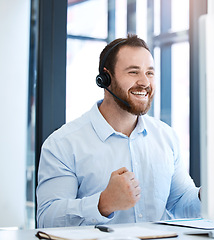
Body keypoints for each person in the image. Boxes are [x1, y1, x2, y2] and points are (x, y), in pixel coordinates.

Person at [36, 34, 201, 228]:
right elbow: (47, 220)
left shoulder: (166, 137)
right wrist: (103, 203)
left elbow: (181, 202)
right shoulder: (63, 144)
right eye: (133, 72)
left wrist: (207, 195)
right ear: (105, 78)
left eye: (149, 73)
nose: (145, 82)